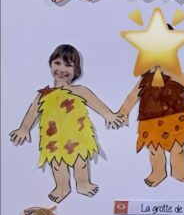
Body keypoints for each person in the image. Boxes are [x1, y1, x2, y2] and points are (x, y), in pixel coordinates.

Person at [8, 44, 122, 203]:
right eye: (57, 63)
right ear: (51, 64)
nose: (61, 69)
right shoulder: (44, 94)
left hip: (78, 135)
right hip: (53, 138)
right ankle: (62, 187)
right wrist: (24, 128)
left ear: (76, 70)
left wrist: (108, 114)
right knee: (57, 164)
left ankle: (83, 183)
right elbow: (33, 111)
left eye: (68, 65)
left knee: (81, 161)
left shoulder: (79, 90)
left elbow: (95, 102)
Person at [117, 61, 184, 188]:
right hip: (150, 120)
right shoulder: (145, 79)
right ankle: (158, 172)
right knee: (154, 150)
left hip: (176, 117)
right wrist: (123, 112)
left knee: (178, 147)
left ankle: (178, 170)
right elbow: (132, 96)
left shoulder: (176, 74)